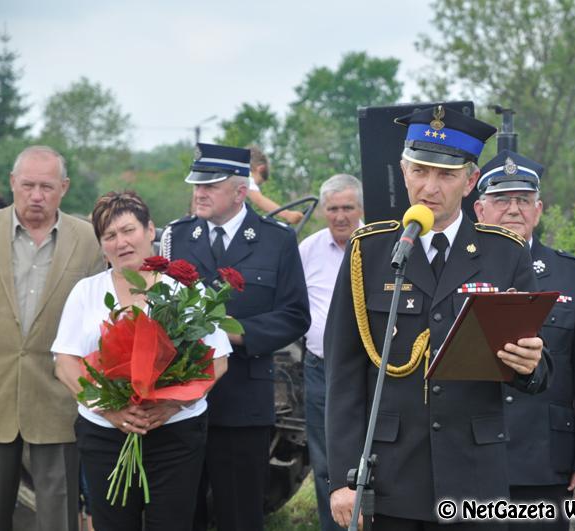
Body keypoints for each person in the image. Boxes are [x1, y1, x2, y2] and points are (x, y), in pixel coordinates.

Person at [325, 104, 552, 530]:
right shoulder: (370, 251)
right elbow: (344, 376)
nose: (430, 186)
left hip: (474, 476)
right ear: (403, 171)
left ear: (469, 182)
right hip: (392, 474)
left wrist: (531, 365)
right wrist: (342, 478)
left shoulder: (504, 252)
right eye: (421, 170)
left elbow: (540, 371)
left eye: (446, 175)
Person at [52, 190, 231, 531]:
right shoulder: (86, 293)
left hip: (175, 435)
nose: (121, 242)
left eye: (128, 230)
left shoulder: (186, 292)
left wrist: (170, 406)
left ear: (151, 230)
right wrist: (111, 410)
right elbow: (65, 364)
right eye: (109, 235)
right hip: (105, 436)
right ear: (101, 245)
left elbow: (217, 362)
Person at [161, 142, 311, 531]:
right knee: (180, 516)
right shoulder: (176, 237)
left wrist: (234, 334)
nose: (199, 193)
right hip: (179, 405)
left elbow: (296, 317)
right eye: (196, 185)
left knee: (240, 517)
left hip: (243, 404)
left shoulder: (276, 240)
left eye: (210, 186)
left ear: (240, 192)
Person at [473, 150, 575, 530]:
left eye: (524, 200)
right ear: (480, 210)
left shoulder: (574, 276)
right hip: (468, 458)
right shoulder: (454, 270)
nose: (514, 209)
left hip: (545, 460)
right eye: (501, 199)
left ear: (539, 208)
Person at [0, 145, 104, 531]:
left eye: (46, 186)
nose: (36, 196)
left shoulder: (89, 241)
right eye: (27, 185)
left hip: (59, 399)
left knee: (58, 517)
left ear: (64, 187)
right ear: (12, 183)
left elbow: (99, 321)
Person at [299, 173, 363, 531]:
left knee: (377, 455)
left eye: (348, 208)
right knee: (325, 462)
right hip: (321, 369)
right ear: (324, 210)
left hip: (370, 369)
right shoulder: (308, 249)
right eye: (333, 208)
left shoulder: (382, 243)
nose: (340, 216)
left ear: (361, 209)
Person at [246, 145, 304, 224]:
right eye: (258, 183)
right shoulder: (245, 176)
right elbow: (259, 200)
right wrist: (288, 215)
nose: (257, 188)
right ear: (260, 168)